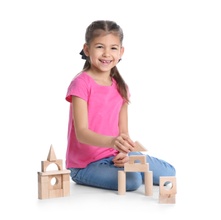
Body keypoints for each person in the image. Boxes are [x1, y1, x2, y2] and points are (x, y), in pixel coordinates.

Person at [65, 20, 176, 191]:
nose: (106, 54)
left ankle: (128, 163)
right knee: (132, 181)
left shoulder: (121, 87)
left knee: (169, 171)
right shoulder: (81, 83)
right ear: (87, 49)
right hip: (85, 164)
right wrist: (113, 142)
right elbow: (82, 133)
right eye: (100, 47)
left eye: (113, 48)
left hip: (114, 154)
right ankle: (99, 172)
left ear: (121, 51)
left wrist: (124, 152)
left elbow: (123, 131)